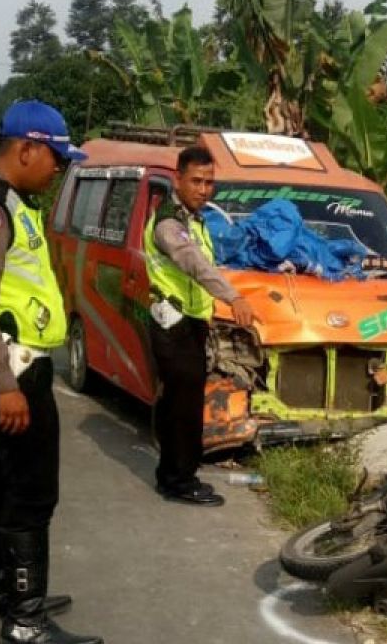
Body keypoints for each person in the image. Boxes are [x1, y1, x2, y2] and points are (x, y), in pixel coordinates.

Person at [0, 100, 103, 644]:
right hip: (10, 371)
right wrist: (6, 387)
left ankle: (3, 588)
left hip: (16, 367)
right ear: (26, 149)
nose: (59, 168)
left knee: (7, 478)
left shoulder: (11, 203)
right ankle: (26, 621)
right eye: (56, 157)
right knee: (30, 495)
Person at [143, 145, 258, 507]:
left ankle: (171, 472)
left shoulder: (196, 220)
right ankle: (180, 479)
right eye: (196, 181)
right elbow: (195, 265)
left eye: (210, 182)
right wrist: (233, 298)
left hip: (191, 323)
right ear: (177, 179)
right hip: (173, 324)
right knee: (186, 404)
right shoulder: (168, 224)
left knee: (179, 400)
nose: (204, 189)